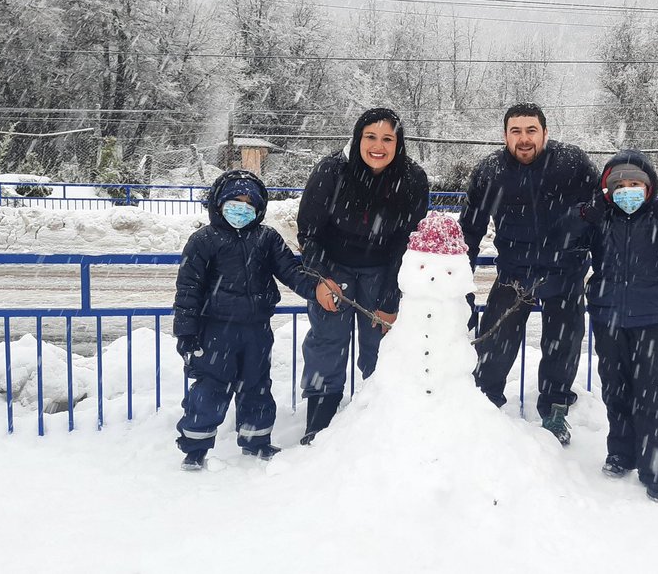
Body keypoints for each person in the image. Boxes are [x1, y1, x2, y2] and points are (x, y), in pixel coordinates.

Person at [551, 150, 658, 503]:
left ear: (649, 188)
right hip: (608, 318)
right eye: (621, 186)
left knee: (654, 395)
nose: (628, 191)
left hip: (651, 321)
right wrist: (585, 213)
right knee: (617, 391)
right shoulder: (601, 219)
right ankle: (620, 454)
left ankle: (655, 469)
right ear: (609, 190)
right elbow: (561, 239)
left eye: (636, 185)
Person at [173, 169, 332, 471]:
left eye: (249, 202)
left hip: (256, 330)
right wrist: (186, 332)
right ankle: (195, 446)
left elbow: (291, 271)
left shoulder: (266, 239)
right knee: (210, 389)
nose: (241, 207)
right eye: (235, 200)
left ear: (259, 208)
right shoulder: (204, 240)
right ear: (219, 202)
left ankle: (256, 439)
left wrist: (315, 288)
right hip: (215, 330)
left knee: (257, 386)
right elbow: (188, 291)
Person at [459, 102, 598, 444]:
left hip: (564, 271)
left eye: (531, 130)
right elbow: (470, 232)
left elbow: (600, 217)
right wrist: (461, 282)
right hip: (514, 273)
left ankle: (554, 411)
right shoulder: (490, 171)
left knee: (562, 346)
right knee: (495, 343)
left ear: (545, 133)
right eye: (516, 131)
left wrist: (602, 268)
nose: (524, 139)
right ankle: (485, 404)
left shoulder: (572, 164)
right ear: (505, 135)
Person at [296, 107, 429, 445]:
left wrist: (390, 298)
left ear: (399, 143)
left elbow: (408, 240)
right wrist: (320, 278)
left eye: (388, 138)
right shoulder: (331, 171)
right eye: (370, 137)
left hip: (383, 269)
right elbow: (309, 231)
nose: (378, 146)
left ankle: (376, 416)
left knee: (381, 346)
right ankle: (319, 419)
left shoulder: (412, 178)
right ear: (358, 139)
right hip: (334, 266)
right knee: (327, 340)